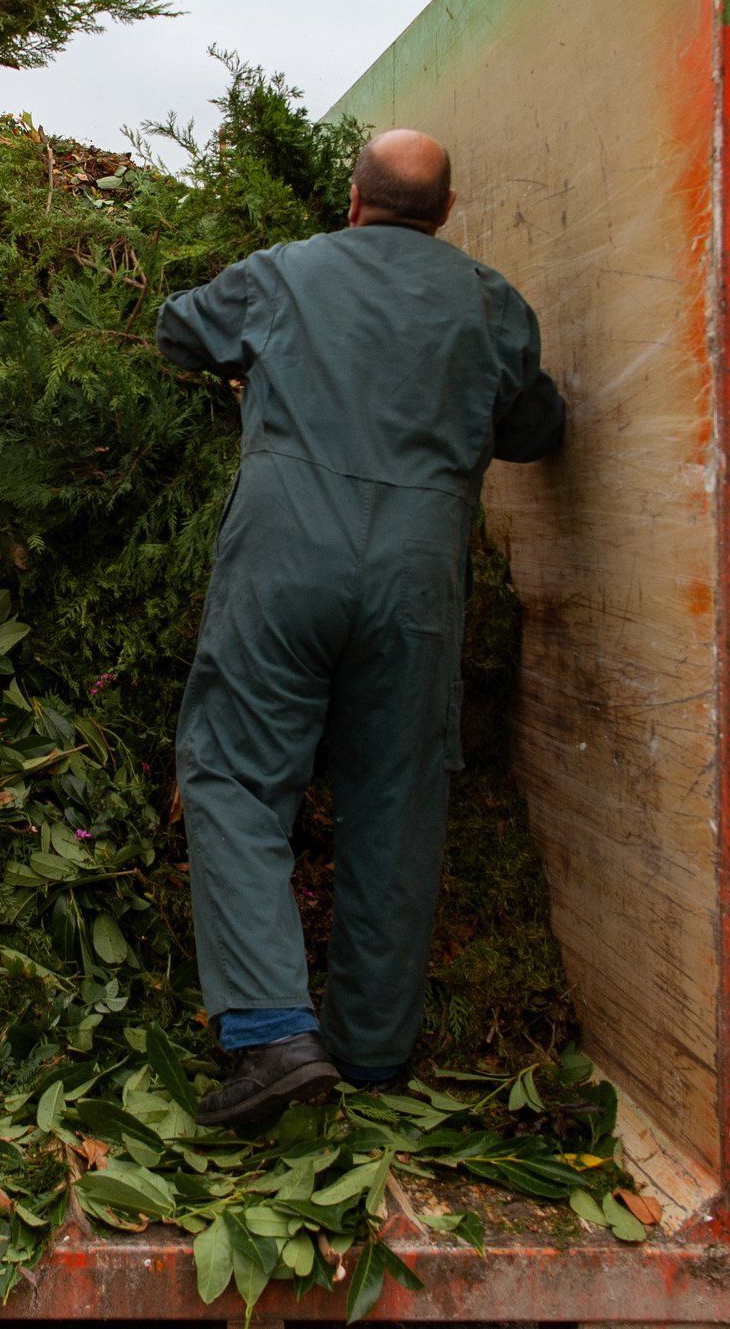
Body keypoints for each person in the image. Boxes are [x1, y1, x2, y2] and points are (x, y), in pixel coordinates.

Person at [155, 128, 565, 1128]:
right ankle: (372, 1050)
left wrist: (250, 371)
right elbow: (538, 429)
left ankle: (271, 1033)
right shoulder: (490, 301)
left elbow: (178, 329)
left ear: (351, 198)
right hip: (417, 574)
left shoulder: (283, 273)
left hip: (284, 559)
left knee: (236, 774)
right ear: (447, 210)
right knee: (396, 794)